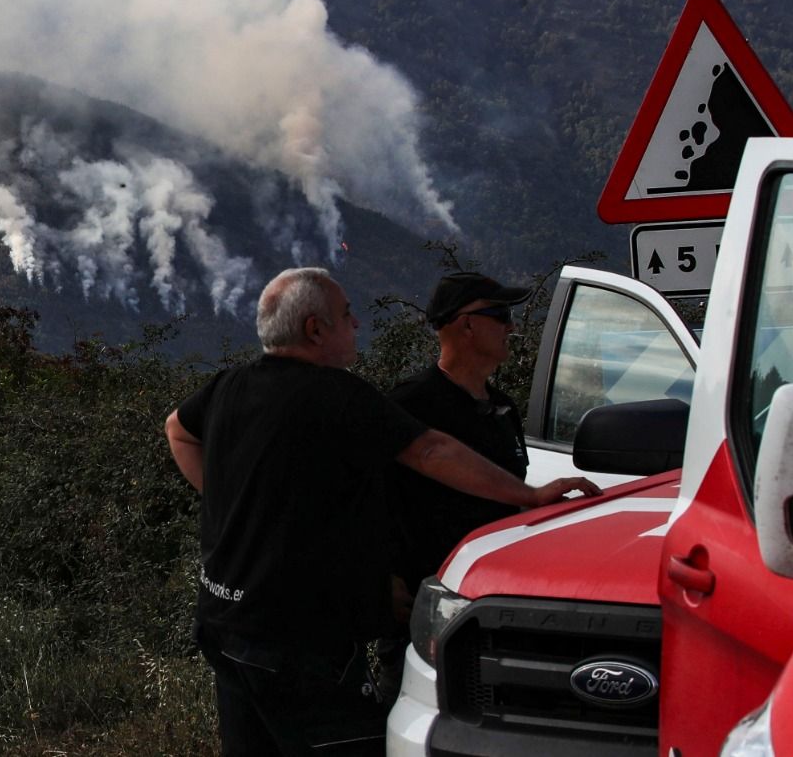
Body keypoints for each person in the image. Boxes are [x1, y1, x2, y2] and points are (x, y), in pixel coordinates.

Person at [164, 267, 599, 756]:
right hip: (297, 635)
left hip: (223, 620)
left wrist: (230, 505)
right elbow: (431, 452)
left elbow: (177, 429)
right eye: (347, 315)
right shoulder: (336, 394)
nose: (357, 325)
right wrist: (530, 497)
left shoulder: (229, 384)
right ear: (315, 329)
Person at [385, 270, 537, 591]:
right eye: (501, 314)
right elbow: (372, 498)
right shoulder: (410, 403)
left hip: (495, 589)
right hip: (428, 595)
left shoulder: (504, 407)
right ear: (467, 325)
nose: (511, 326)